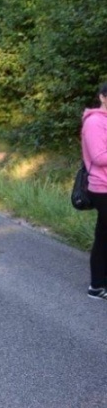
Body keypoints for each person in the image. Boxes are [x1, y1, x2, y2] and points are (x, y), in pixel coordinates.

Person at [81, 83, 107, 300]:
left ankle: (98, 284)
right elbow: (99, 157)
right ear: (102, 97)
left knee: (104, 236)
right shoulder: (95, 122)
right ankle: (97, 285)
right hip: (102, 187)